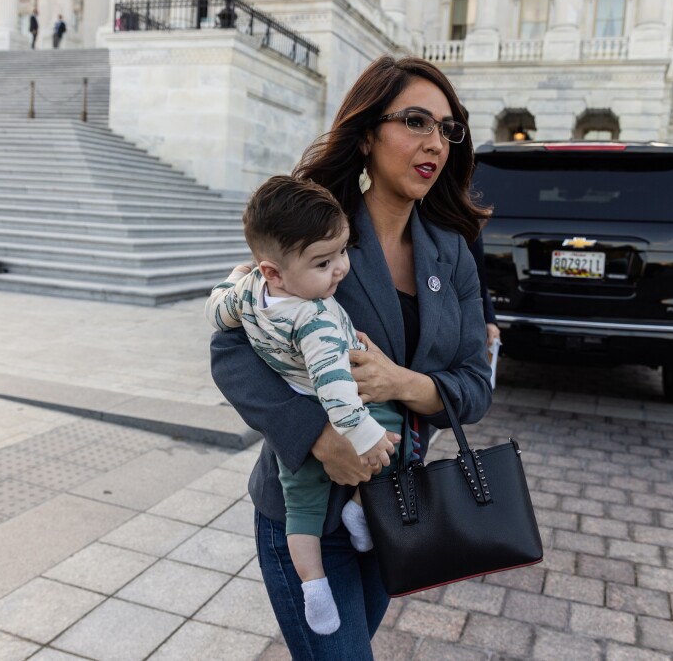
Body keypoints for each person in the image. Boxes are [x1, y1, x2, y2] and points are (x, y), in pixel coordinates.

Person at [210, 55, 492, 659]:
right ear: (367, 133)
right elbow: (231, 348)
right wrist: (319, 437)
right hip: (304, 511)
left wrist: (401, 383)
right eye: (416, 121)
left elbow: (474, 388)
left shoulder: (454, 253)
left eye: (447, 128)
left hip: (391, 509)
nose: (434, 142)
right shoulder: (314, 227)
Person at [205, 176, 402, 636]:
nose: (339, 270)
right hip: (334, 414)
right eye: (323, 262)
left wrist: (232, 279)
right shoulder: (315, 319)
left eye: (342, 254)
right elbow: (338, 391)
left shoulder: (251, 291)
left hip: (297, 426)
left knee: (302, 510)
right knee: (396, 433)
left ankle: (314, 587)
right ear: (275, 270)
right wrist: (366, 437)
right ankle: (359, 506)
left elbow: (216, 312)